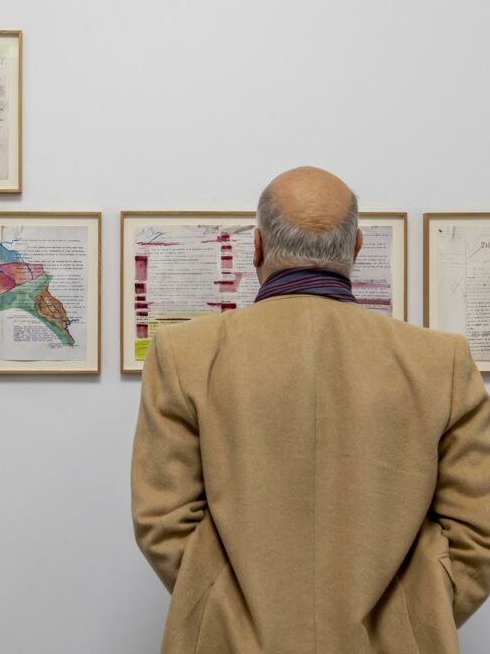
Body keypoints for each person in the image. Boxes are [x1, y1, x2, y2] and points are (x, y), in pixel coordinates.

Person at [131, 166, 490, 653]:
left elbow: (162, 520)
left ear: (256, 247)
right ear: (357, 247)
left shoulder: (184, 353)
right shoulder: (439, 361)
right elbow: (479, 531)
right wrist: (412, 616)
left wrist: (225, 613)